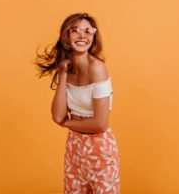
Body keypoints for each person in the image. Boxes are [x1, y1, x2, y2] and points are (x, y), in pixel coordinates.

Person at [34, 12, 120, 193]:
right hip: (74, 146)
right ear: (66, 35)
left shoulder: (97, 68)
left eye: (89, 31)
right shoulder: (66, 69)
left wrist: (66, 123)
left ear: (94, 37)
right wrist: (63, 73)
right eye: (76, 30)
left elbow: (100, 124)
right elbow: (57, 115)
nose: (83, 35)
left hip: (100, 148)